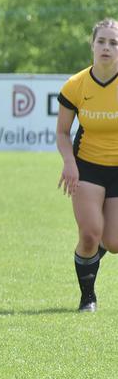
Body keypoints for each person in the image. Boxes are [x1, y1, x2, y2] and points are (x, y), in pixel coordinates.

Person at [56, 18, 118, 312]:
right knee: (90, 233)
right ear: (92, 44)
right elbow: (62, 132)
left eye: (113, 43)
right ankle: (87, 297)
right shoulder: (76, 85)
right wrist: (69, 162)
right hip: (87, 167)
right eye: (102, 41)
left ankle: (93, 254)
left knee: (114, 241)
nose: (107, 47)